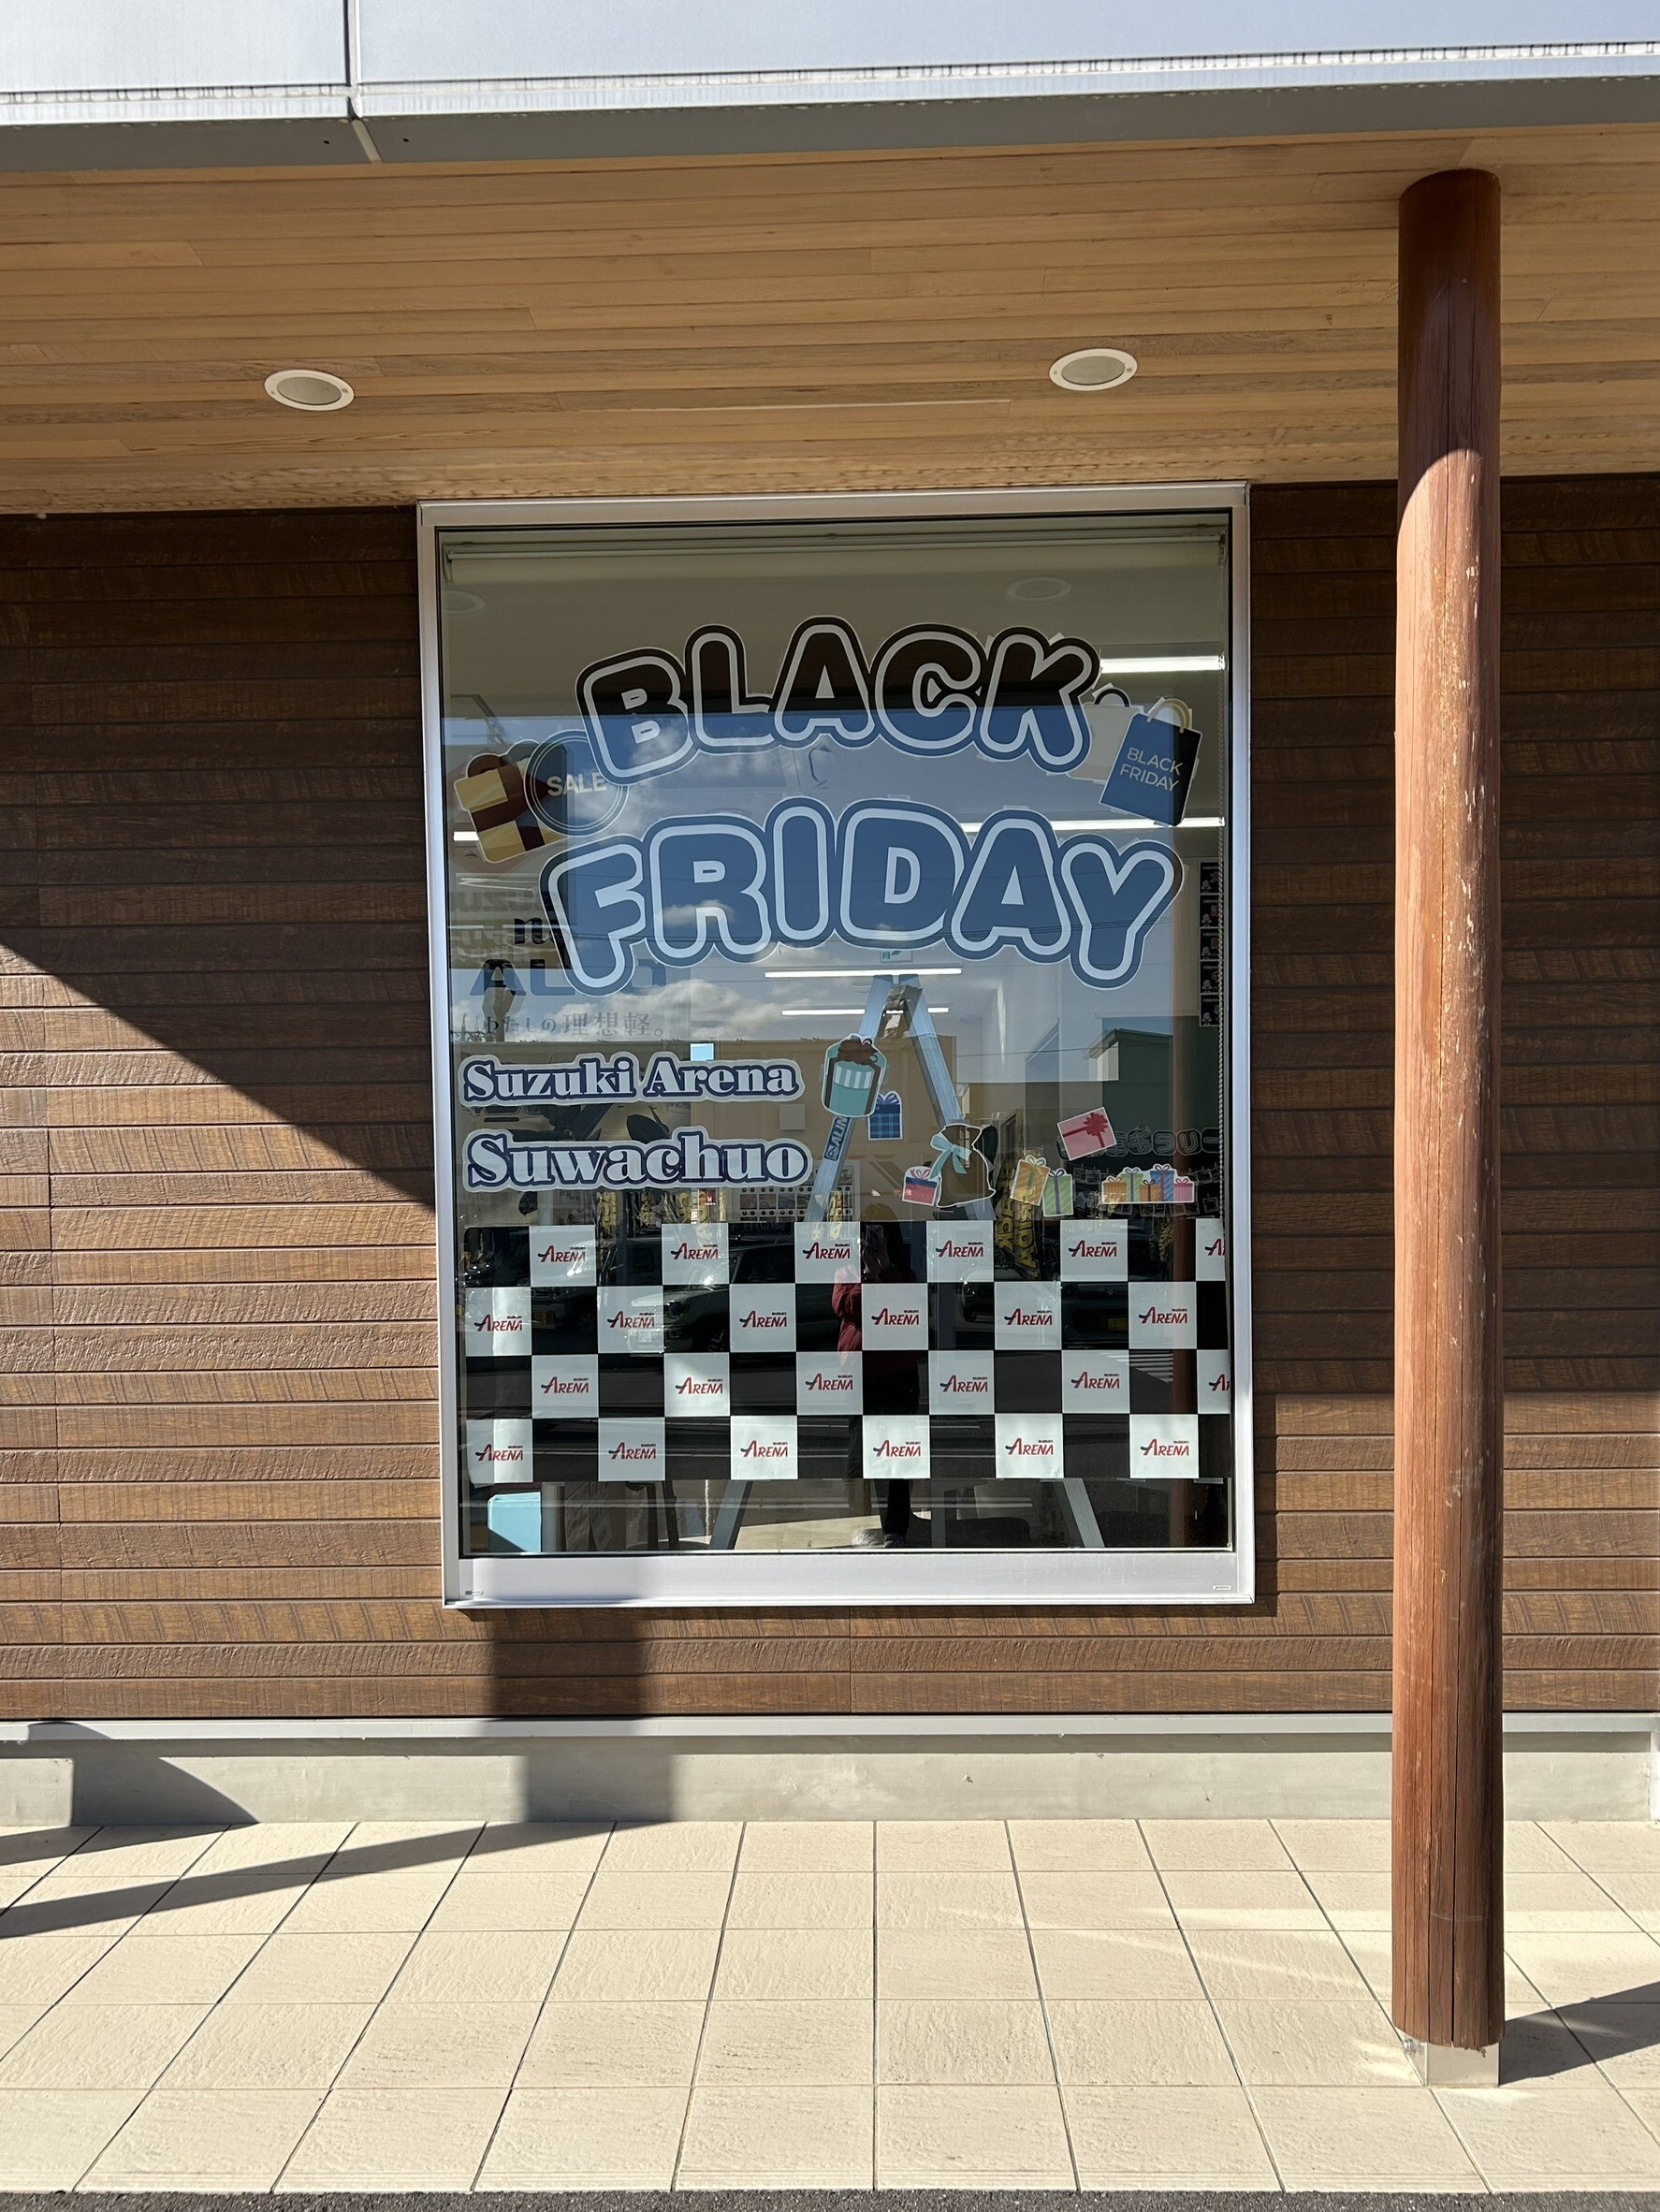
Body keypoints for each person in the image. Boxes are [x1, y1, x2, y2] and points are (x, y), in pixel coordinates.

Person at [834, 1210, 923, 1547]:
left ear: (891, 1238)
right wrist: (868, 1277)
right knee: (859, 1452)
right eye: (868, 1234)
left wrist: (885, 1272)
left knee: (897, 1451)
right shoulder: (847, 1272)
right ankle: (860, 1522)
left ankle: (895, 1529)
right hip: (861, 1371)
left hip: (898, 1372)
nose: (873, 1240)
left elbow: (906, 1310)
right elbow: (847, 1308)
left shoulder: (905, 1274)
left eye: (879, 1234)